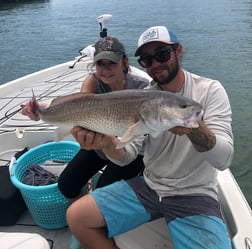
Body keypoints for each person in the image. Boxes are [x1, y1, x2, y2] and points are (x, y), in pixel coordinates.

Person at [66, 26, 234, 249]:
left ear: (178, 51)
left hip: (194, 193)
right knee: (76, 217)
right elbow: (127, 156)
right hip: (150, 186)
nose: (155, 64)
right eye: (146, 59)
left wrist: (195, 129)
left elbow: (224, 160)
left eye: (162, 54)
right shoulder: (144, 97)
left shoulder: (210, 91)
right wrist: (107, 143)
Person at [21, 36, 150, 249]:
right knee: (66, 184)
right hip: (99, 145)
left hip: (132, 153)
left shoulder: (142, 88)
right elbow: (79, 110)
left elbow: (138, 138)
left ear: (125, 62)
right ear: (94, 65)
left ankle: (99, 230)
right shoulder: (93, 82)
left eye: (112, 63)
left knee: (103, 203)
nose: (106, 69)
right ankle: (85, 218)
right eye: (101, 63)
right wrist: (40, 112)